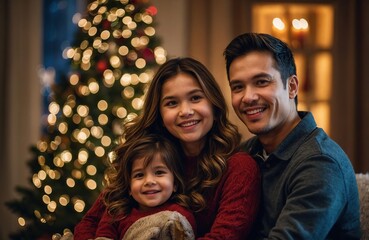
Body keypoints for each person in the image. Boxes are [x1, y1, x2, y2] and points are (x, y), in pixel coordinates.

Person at [56, 57, 261, 240]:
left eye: (196, 98)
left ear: (214, 106)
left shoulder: (239, 168)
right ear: (160, 114)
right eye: (172, 103)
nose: (185, 111)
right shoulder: (147, 159)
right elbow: (88, 224)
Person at [223, 32, 361, 239]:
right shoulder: (247, 153)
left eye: (261, 82)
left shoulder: (321, 162)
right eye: (238, 87)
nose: (248, 97)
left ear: (292, 87)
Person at [94, 134, 195, 240]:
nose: (149, 181)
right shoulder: (117, 214)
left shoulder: (179, 216)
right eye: (139, 175)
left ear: (175, 184)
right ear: (129, 187)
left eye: (159, 172)